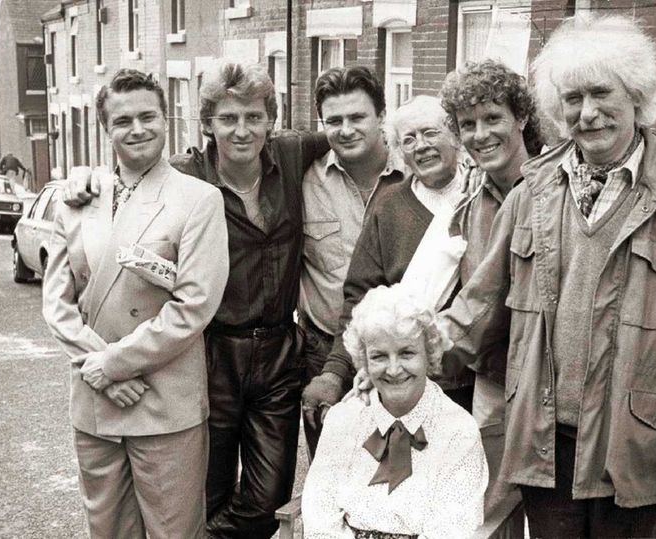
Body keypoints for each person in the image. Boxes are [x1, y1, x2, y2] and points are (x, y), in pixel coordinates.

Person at [441, 14, 656, 538]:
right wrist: (400, 355)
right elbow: (477, 308)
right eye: (572, 99)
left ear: (637, 98)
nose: (588, 113)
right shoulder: (531, 192)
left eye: (602, 94)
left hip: (634, 452)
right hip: (543, 446)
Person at [41, 68, 229, 538]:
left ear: (167, 120)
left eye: (148, 116)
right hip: (96, 402)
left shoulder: (198, 200)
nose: (137, 129)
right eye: (123, 121)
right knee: (107, 531)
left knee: (174, 533)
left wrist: (117, 364)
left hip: (163, 401)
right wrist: (99, 369)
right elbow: (57, 304)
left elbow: (194, 304)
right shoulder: (77, 200)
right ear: (107, 130)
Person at [169, 60, 327, 538]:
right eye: (228, 119)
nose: (243, 130)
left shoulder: (292, 154)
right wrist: (85, 185)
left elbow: (357, 140)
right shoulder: (185, 176)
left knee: (267, 501)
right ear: (207, 124)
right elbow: (127, 182)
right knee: (206, 492)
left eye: (254, 117)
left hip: (279, 356)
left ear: (270, 119)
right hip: (209, 354)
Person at [303, 95, 476, 420]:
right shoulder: (390, 206)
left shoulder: (481, 197)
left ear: (454, 137)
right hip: (399, 382)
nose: (421, 146)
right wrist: (335, 371)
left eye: (430, 133)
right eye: (408, 139)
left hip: (471, 385)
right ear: (400, 152)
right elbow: (359, 298)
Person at [302, 284, 487, 538]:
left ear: (429, 353)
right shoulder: (343, 420)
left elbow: (451, 531)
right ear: (364, 360)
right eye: (379, 356)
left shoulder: (458, 432)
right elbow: (320, 522)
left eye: (406, 353)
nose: (393, 369)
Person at [440, 59, 543, 510]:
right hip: (492, 381)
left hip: (545, 383)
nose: (480, 134)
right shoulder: (472, 202)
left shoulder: (553, 189)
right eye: (467, 124)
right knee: (488, 512)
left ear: (521, 117)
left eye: (493, 118)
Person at [299, 66, 405, 458]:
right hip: (323, 349)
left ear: (381, 116)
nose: (346, 130)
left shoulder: (416, 175)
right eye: (334, 120)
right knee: (330, 471)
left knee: (396, 476)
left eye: (357, 117)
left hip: (402, 354)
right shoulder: (304, 180)